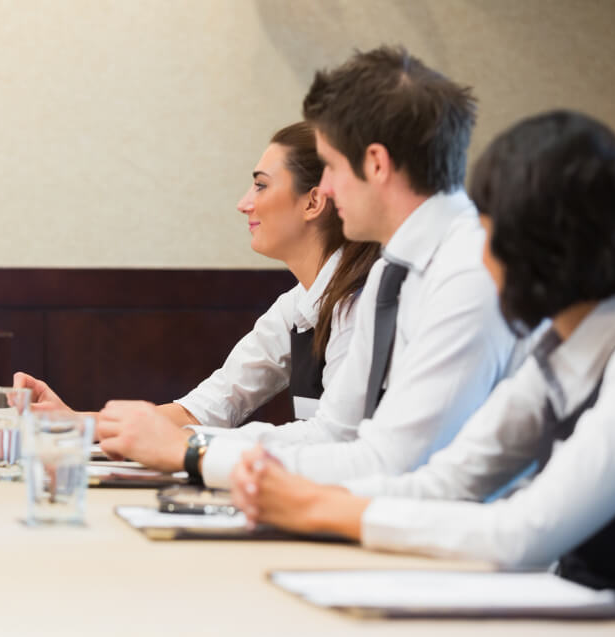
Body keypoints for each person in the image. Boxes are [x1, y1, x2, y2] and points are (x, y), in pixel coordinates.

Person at [231, 110, 615, 593]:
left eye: (490, 237)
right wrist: (306, 497)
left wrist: (321, 507)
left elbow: (524, 532)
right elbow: (448, 481)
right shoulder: (554, 352)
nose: (482, 259)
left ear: (545, 248)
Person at [96, 46, 514, 488]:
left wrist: (193, 451)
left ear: (375, 164)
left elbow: (392, 464)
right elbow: (335, 433)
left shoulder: (470, 274)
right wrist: (191, 446)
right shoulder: (392, 272)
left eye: (330, 166)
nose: (326, 189)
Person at [14, 122, 381, 431]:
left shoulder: (359, 304)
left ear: (313, 202)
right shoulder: (297, 304)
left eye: (261, 185)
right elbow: (210, 406)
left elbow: (335, 442)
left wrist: (192, 451)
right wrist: (77, 423)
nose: (243, 204)